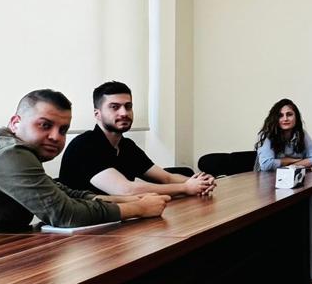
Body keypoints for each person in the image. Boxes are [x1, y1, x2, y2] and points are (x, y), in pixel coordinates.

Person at [0, 89, 170, 251]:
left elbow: (61, 193)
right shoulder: (7, 153)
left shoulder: (14, 149)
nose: (56, 137)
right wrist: (139, 209)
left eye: (63, 130)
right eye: (45, 125)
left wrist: (129, 200)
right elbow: (65, 213)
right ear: (15, 122)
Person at [59, 81, 215, 197]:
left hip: (119, 218)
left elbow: (166, 178)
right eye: (114, 107)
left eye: (128, 106)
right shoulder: (84, 145)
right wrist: (186, 188)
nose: (124, 113)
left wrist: (200, 182)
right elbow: (126, 190)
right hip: (83, 227)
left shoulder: (126, 146)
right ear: (97, 114)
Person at [255, 99, 312, 171]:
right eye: (280, 115)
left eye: (289, 114)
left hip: (291, 176)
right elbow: (266, 165)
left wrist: (290, 166)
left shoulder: (301, 134)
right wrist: (294, 160)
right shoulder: (267, 135)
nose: (285, 119)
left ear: (296, 117)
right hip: (266, 177)